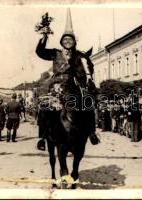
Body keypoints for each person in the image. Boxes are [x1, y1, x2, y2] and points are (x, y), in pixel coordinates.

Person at [35, 13, 99, 146]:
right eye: (66, 39)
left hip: (74, 84)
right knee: (47, 108)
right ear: (62, 41)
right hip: (56, 85)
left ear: (74, 41)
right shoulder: (55, 53)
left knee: (88, 105)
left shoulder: (79, 54)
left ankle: (92, 132)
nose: (68, 42)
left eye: (71, 39)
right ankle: (43, 137)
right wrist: (44, 36)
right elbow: (40, 52)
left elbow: (87, 65)